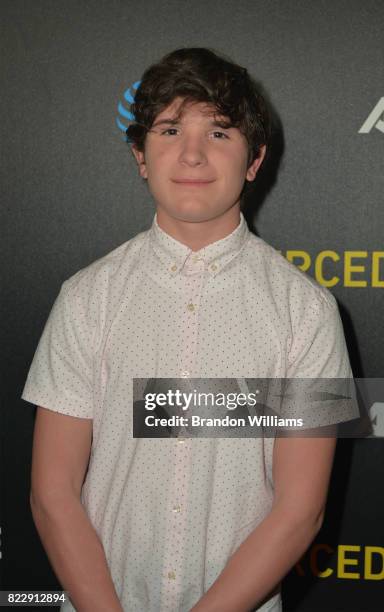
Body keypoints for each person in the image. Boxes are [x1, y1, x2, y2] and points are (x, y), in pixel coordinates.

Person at [21, 47, 355, 612]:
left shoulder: (309, 311)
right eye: (171, 129)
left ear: (255, 160)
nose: (193, 154)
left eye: (220, 133)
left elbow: (301, 511)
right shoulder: (85, 299)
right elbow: (52, 494)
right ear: (140, 156)